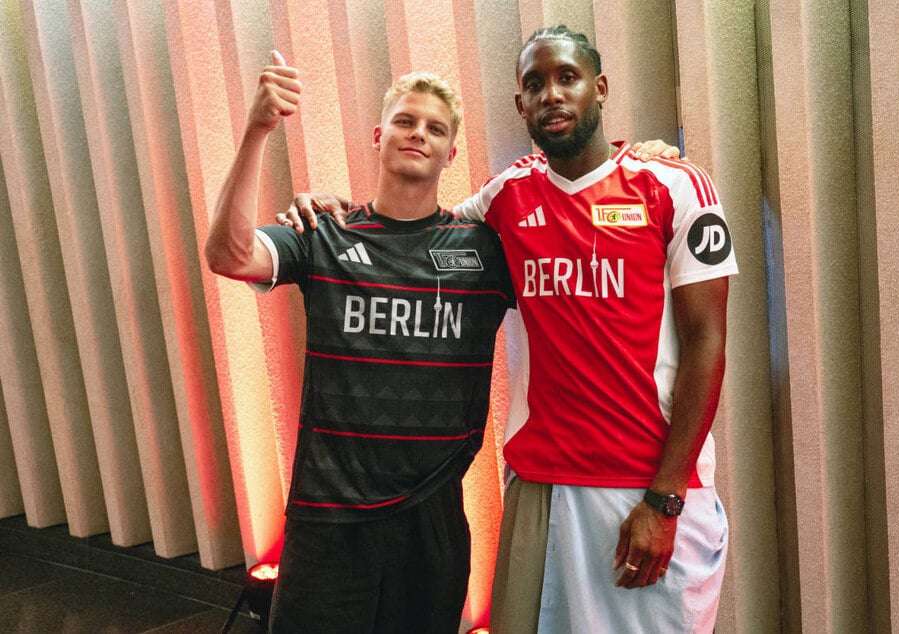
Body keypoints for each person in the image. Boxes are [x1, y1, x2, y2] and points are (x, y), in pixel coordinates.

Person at [283, 25, 735, 633]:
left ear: (599, 88)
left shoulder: (675, 187)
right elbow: (419, 229)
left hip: (641, 485)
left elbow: (708, 342)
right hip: (542, 481)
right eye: (534, 83)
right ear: (520, 105)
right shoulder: (508, 195)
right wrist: (332, 211)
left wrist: (665, 497)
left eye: (567, 78)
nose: (552, 94)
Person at [205, 51, 515, 633]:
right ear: (379, 135)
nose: (418, 133)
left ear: (452, 153)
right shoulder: (323, 231)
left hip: (432, 519)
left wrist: (640, 164)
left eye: (435, 128)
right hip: (328, 519)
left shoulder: (482, 252)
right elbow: (227, 254)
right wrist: (256, 131)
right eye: (405, 121)